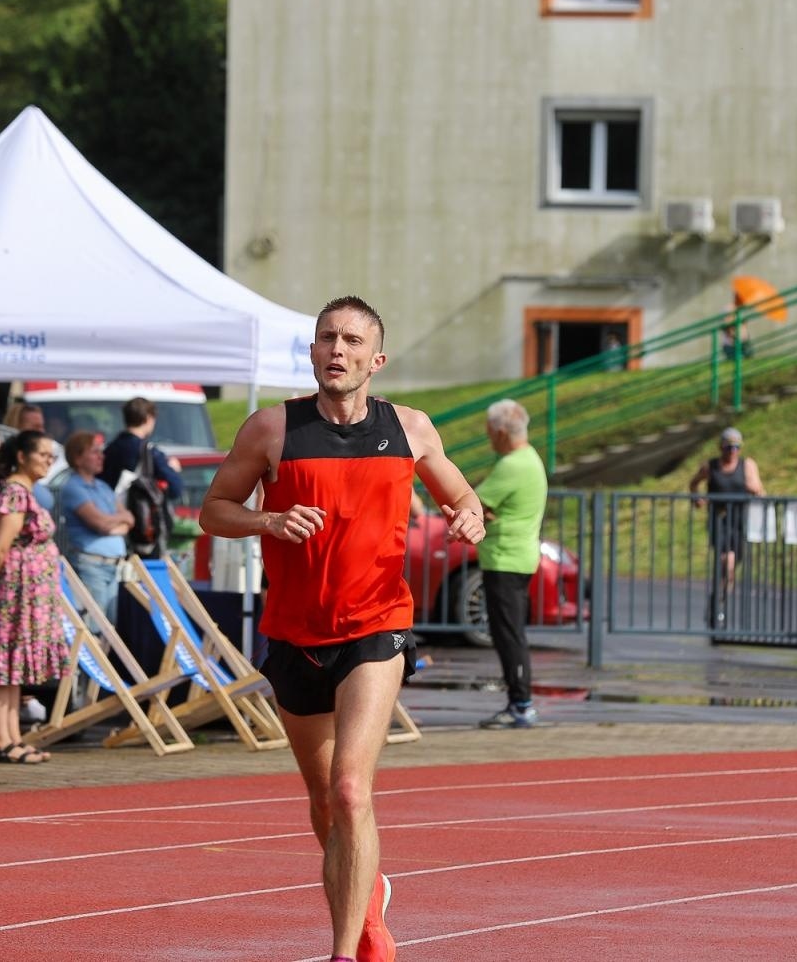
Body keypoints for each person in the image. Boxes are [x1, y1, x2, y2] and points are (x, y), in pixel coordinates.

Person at [200, 295, 484, 962]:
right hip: (295, 634)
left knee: (352, 789)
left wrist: (470, 516)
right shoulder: (271, 430)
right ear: (312, 352)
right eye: (327, 337)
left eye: (353, 341)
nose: (338, 349)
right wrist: (267, 520)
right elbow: (215, 510)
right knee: (326, 803)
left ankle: (349, 947)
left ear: (375, 359)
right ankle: (369, 897)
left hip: (376, 628)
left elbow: (462, 496)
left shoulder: (411, 428)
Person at [0, 430, 68, 763]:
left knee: (12, 667)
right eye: (43, 455)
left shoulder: (25, 493)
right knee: (2, 665)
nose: (48, 462)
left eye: (52, 457)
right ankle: (1, 741)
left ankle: (12, 737)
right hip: (14, 594)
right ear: (22, 456)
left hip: (27, 596)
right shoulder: (14, 494)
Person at [475, 399, 549, 730]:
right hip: (516, 557)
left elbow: (475, 502)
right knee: (510, 633)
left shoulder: (513, 465)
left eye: (491, 433)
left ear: (502, 433)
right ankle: (520, 702)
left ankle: (521, 704)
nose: (489, 439)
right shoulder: (529, 459)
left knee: (509, 636)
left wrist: (483, 513)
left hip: (506, 558)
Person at [687, 427, 765, 624]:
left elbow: (760, 491)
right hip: (719, 519)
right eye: (729, 447)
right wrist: (697, 500)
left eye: (737, 447)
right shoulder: (711, 467)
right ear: (721, 447)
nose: (732, 451)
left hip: (739, 520)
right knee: (726, 561)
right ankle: (719, 602)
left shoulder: (747, 466)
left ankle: (719, 597)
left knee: (731, 567)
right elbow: (693, 484)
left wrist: (753, 489)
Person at [58, 430, 134, 628]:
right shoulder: (74, 487)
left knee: (109, 629)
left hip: (112, 566)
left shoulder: (103, 487)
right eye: (94, 452)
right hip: (92, 567)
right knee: (93, 629)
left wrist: (112, 524)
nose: (102, 456)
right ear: (77, 458)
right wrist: (116, 522)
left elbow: (129, 520)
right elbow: (99, 523)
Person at [102, 397, 185, 502]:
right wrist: (173, 470)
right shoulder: (150, 453)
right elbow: (175, 489)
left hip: (109, 511)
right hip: (139, 514)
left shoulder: (108, 450)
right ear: (148, 418)